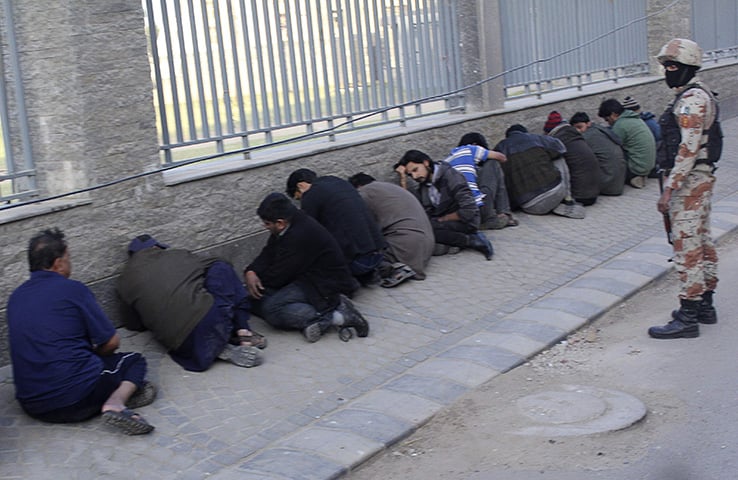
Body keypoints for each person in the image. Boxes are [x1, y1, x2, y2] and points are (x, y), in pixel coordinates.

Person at [6, 228, 156, 435]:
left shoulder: (15, 298)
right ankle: (115, 403)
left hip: (32, 404)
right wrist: (94, 355)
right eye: (68, 258)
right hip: (75, 399)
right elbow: (112, 342)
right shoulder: (73, 290)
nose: (70, 263)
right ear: (58, 263)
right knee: (134, 361)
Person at [648, 38, 719, 339]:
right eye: (665, 66)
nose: (667, 72)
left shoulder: (691, 100)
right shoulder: (698, 94)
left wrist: (669, 189)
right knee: (701, 241)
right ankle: (705, 305)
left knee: (687, 246)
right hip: (699, 179)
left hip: (688, 182)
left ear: (688, 67)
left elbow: (687, 149)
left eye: (673, 66)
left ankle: (689, 314)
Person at [117, 235, 265, 372]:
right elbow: (219, 261)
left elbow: (133, 325)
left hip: (181, 345)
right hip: (210, 320)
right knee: (220, 268)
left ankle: (214, 347)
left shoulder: (123, 282)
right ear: (156, 248)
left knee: (190, 325)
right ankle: (243, 331)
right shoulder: (176, 255)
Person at [244, 192, 369, 343]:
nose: (265, 227)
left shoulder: (299, 234)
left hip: (323, 283)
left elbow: (280, 275)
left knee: (272, 309)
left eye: (267, 224)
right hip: (303, 276)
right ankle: (319, 314)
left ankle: (336, 316)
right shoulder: (290, 223)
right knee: (253, 296)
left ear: (280, 223)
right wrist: (252, 271)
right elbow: (269, 252)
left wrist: (260, 284)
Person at [286, 168, 385, 285]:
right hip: (379, 254)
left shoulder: (310, 194)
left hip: (358, 263)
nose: (301, 201)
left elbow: (308, 234)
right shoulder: (338, 181)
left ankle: (347, 283)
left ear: (300, 186)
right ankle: (366, 274)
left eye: (298, 197)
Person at [395, 149, 494, 260]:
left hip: (465, 221)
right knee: (417, 227)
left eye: (415, 170)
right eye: (410, 174)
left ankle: (472, 240)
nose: (414, 176)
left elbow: (469, 209)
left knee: (427, 229)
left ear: (426, 163)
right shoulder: (424, 184)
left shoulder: (451, 176)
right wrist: (403, 180)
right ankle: (452, 242)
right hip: (442, 222)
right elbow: (412, 208)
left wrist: (443, 219)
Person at [348, 172, 435, 286]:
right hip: (428, 244)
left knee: (365, 260)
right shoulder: (390, 187)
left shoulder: (364, 193)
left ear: (357, 187)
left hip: (406, 245)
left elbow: (363, 229)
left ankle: (395, 269)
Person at [494, 124, 585, 219]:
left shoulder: (500, 148)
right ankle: (568, 198)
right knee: (558, 157)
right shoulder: (536, 138)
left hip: (529, 206)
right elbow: (561, 148)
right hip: (557, 193)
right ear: (525, 132)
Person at [444, 132, 517, 230]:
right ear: (475, 144)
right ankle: (500, 214)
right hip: (475, 209)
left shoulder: (447, 160)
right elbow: (502, 157)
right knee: (493, 163)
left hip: (460, 213)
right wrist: (486, 154)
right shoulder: (470, 149)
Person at [543, 111, 600, 206]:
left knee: (556, 162)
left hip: (579, 196)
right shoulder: (574, 135)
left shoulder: (558, 141)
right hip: (594, 193)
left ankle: (567, 197)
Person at [597, 98, 656, 189]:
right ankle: (640, 176)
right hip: (649, 165)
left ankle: (635, 177)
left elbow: (611, 147)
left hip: (637, 167)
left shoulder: (620, 125)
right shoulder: (635, 118)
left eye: (607, 120)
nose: (608, 123)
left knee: (611, 155)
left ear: (613, 115)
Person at [570, 112, 627, 196]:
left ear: (588, 124)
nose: (578, 131)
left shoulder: (586, 137)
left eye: (580, 127)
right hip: (619, 181)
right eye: (575, 129)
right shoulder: (601, 129)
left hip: (607, 183)